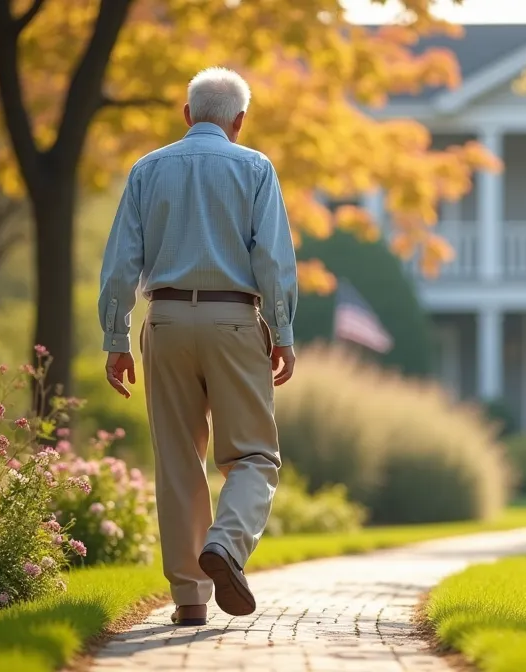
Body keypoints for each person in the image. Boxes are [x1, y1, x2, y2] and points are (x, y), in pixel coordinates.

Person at [97, 66, 298, 626]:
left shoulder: (146, 169)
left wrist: (116, 337)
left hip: (163, 320)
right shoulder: (256, 168)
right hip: (235, 320)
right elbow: (274, 261)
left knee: (180, 460)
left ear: (187, 116)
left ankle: (189, 598)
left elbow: (119, 265)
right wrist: (282, 332)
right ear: (239, 121)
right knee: (253, 455)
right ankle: (227, 545)